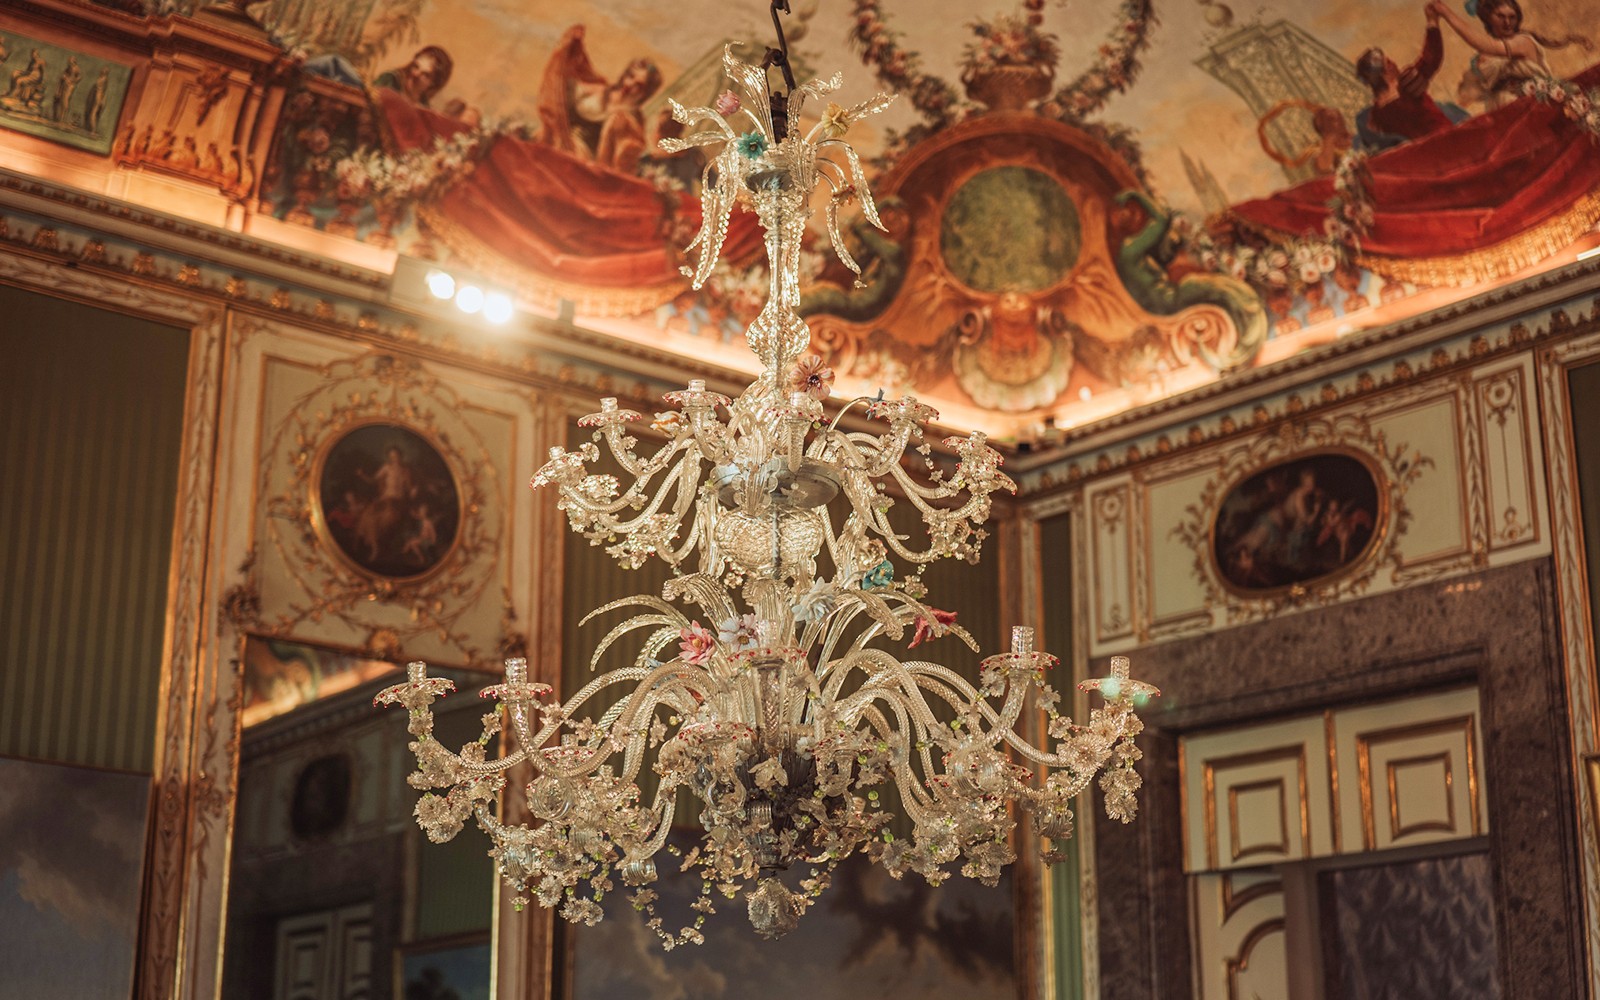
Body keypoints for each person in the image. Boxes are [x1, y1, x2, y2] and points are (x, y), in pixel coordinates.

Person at [536, 25, 663, 170]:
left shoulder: (632, 122)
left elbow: (622, 160)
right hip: (552, 142)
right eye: (630, 76)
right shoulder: (600, 89)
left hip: (581, 164)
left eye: (638, 86)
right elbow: (571, 76)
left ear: (645, 93)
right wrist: (571, 48)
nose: (629, 84)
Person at [1431, 0, 1591, 110]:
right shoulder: (1485, 57)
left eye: (1512, 17)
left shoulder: (1523, 41)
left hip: (1528, 110)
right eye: (1500, 16)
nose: (1507, 22)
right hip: (1498, 110)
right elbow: (1469, 94)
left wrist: (1445, 13)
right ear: (1488, 18)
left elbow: (1486, 45)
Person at [1354, 6, 1461, 148]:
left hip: (1424, 153)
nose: (1394, 62)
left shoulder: (1376, 114)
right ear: (1385, 70)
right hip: (1447, 141)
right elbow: (1431, 57)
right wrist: (1432, 22)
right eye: (1388, 61)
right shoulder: (1406, 82)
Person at [374, 45, 453, 108]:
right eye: (415, 66)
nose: (415, 74)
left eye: (425, 75)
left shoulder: (424, 106)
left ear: (433, 83)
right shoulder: (390, 80)